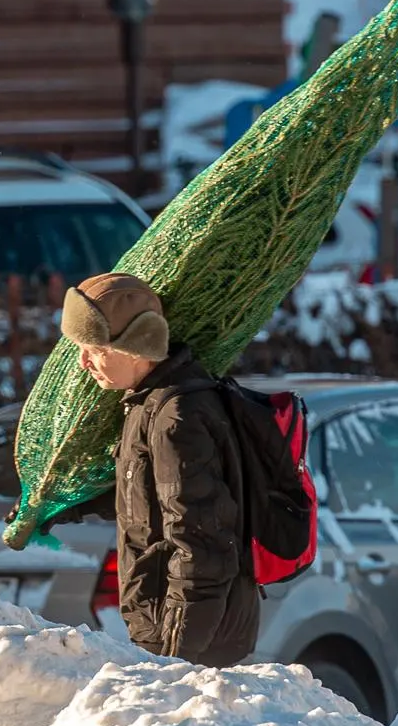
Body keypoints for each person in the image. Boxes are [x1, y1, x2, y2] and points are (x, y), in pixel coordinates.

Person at [57, 271, 258, 667]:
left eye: (95, 349)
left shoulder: (175, 418)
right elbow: (149, 495)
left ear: (135, 346)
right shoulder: (147, 404)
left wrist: (176, 656)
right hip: (169, 627)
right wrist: (67, 507)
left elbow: (201, 540)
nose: (84, 363)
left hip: (193, 638)